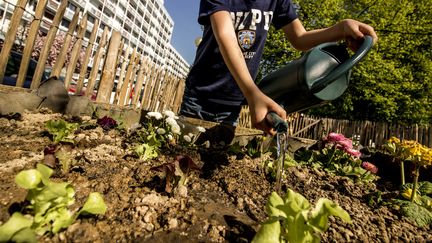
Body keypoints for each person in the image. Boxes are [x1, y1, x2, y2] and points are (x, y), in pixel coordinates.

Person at [179, 0, 378, 136]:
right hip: (200, 95)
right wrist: (253, 93)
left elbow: (299, 39)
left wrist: (340, 29)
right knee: (185, 154)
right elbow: (226, 37)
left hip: (233, 101)